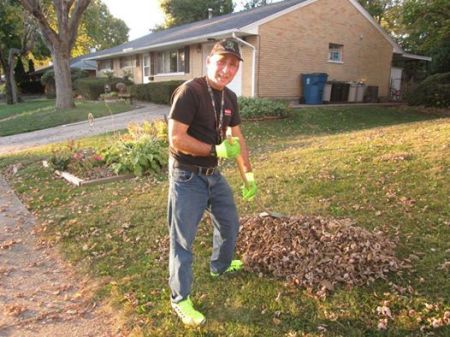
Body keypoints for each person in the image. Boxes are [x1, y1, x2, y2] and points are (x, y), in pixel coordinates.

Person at [167, 38, 257, 326]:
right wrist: (215, 150)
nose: (227, 69)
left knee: (229, 221)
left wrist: (248, 175)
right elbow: (176, 138)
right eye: (222, 62)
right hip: (187, 175)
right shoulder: (189, 92)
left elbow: (238, 138)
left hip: (213, 175)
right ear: (209, 61)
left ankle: (220, 266)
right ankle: (180, 299)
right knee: (183, 241)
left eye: (233, 64)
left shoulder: (229, 97)